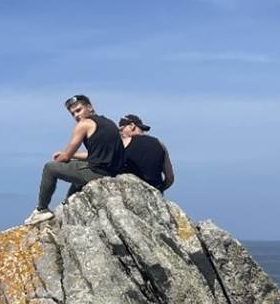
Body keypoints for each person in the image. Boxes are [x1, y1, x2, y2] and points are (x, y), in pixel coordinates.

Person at [24, 94, 125, 225]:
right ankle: (68, 203)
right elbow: (95, 155)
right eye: (73, 114)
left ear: (89, 107)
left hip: (97, 173)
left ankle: (42, 209)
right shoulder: (108, 123)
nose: (76, 115)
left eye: (78, 110)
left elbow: (65, 157)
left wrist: (62, 158)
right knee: (76, 168)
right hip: (110, 173)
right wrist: (73, 156)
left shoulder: (84, 124)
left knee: (50, 168)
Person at [119, 114, 174, 192]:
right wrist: (160, 190)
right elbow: (170, 178)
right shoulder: (159, 144)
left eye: (122, 129)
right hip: (155, 192)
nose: (120, 132)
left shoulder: (125, 143)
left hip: (131, 190)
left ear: (132, 126)